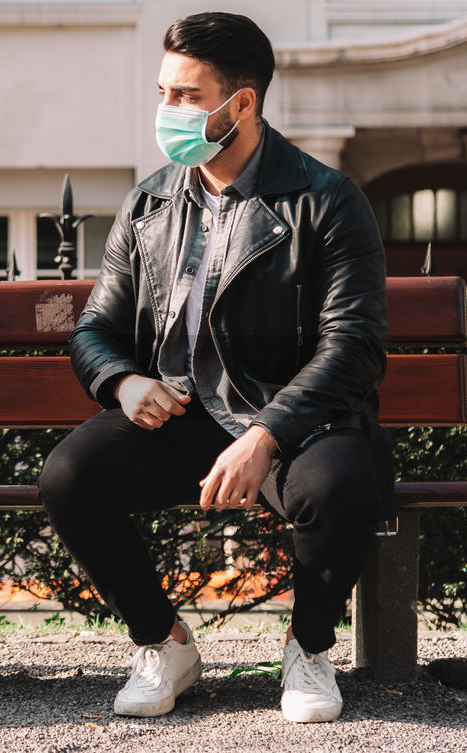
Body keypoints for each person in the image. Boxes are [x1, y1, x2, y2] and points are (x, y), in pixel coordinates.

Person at [37, 12, 392, 724]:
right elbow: (94, 327)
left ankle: (310, 644)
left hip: (295, 419)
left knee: (342, 482)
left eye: (187, 96)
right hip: (182, 416)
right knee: (69, 475)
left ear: (243, 104)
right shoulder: (150, 203)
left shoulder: (324, 201)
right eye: (163, 91)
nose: (168, 111)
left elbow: (353, 345)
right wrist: (122, 380)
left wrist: (265, 435)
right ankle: (163, 643)